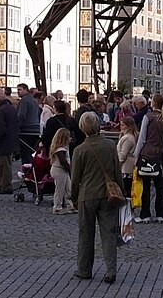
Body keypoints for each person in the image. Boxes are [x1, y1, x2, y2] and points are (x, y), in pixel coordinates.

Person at [70, 112, 124, 284]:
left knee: (85, 234)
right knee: (109, 233)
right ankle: (111, 270)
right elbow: (117, 171)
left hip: (87, 195)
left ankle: (84, 269)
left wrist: (74, 197)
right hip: (108, 195)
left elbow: (75, 178)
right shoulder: (110, 145)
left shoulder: (80, 150)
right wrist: (122, 192)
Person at [134, 94, 163, 223]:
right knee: (160, 186)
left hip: (147, 155)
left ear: (153, 103)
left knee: (146, 186)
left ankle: (145, 214)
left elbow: (142, 139)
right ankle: (160, 214)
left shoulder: (148, 117)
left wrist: (136, 155)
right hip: (160, 155)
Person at [0, 87, 18, 194]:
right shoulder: (10, 108)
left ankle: (5, 186)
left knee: (4, 165)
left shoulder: (1, 111)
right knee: (5, 164)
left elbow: (0, 129)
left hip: (3, 141)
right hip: (10, 140)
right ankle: (0, 184)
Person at [50, 127, 76, 214]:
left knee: (68, 189)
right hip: (59, 170)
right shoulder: (60, 150)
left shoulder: (63, 148)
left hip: (61, 170)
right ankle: (57, 207)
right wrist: (70, 169)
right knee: (60, 189)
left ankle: (71, 206)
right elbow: (63, 162)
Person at [16, 84, 41, 167]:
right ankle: (32, 172)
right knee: (32, 153)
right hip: (36, 129)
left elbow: (21, 115)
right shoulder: (34, 100)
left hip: (26, 130)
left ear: (26, 89)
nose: (18, 92)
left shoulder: (24, 100)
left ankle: (26, 173)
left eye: (20, 90)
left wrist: (17, 128)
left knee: (25, 154)